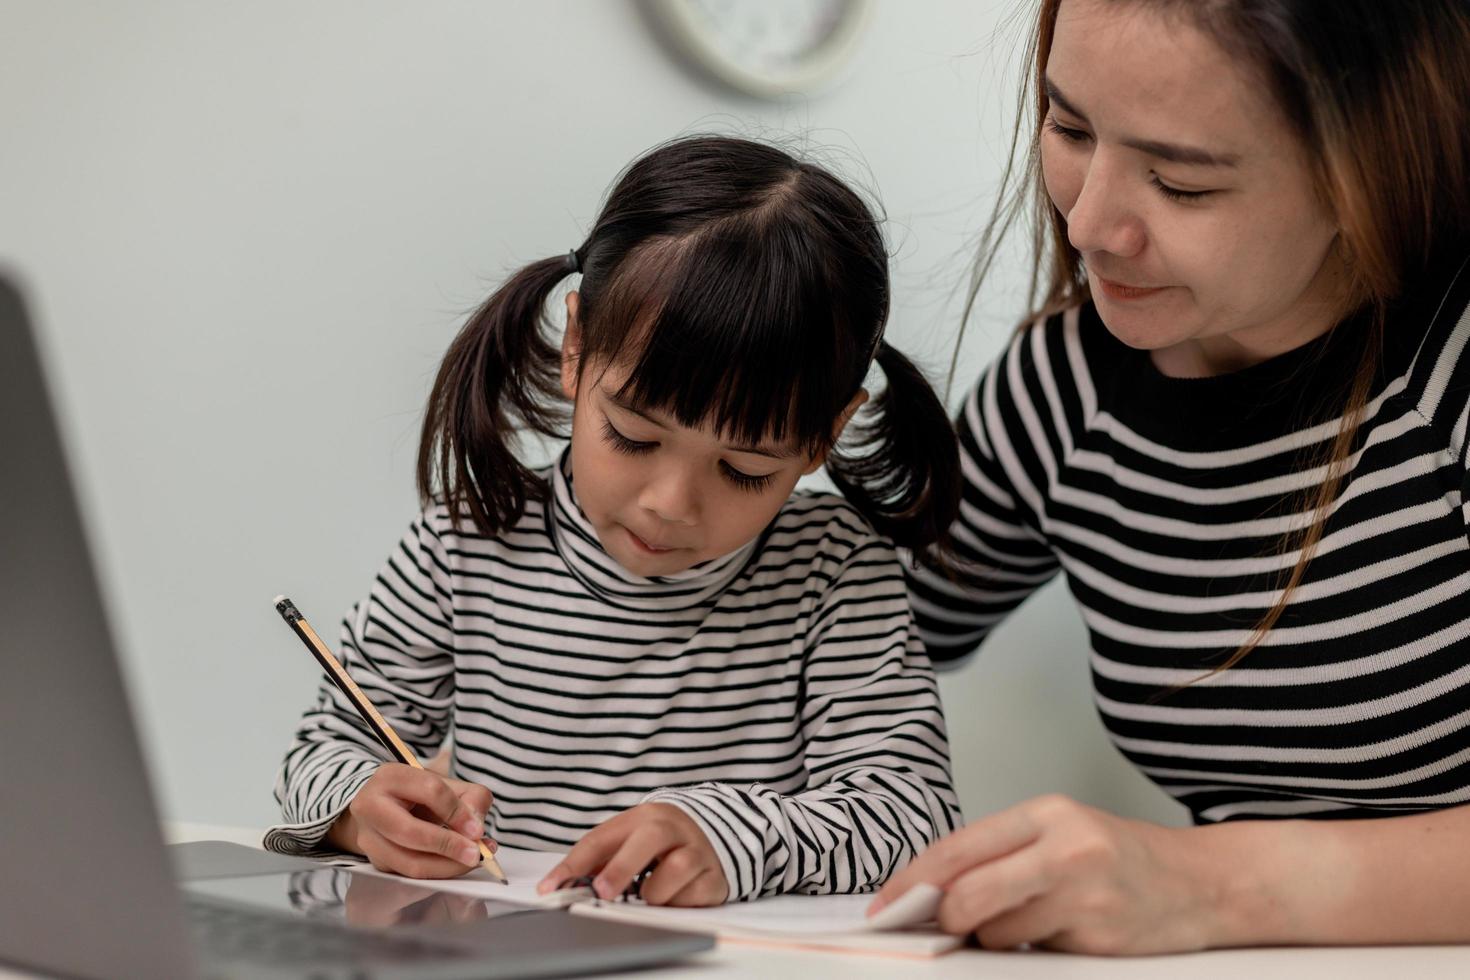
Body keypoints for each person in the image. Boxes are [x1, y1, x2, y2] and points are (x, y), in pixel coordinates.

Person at [876, 0, 1470, 953]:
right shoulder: (1065, 392)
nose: (1093, 224)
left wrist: (1206, 887)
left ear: (1374, 165)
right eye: (1069, 127)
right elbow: (842, 622)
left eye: (1182, 181)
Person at [264, 135, 964, 907]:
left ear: (825, 435)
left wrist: (733, 842)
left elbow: (914, 814)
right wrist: (363, 810)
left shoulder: (834, 572)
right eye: (633, 436)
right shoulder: (464, 545)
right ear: (576, 347)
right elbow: (321, 753)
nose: (670, 502)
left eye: (746, 469)